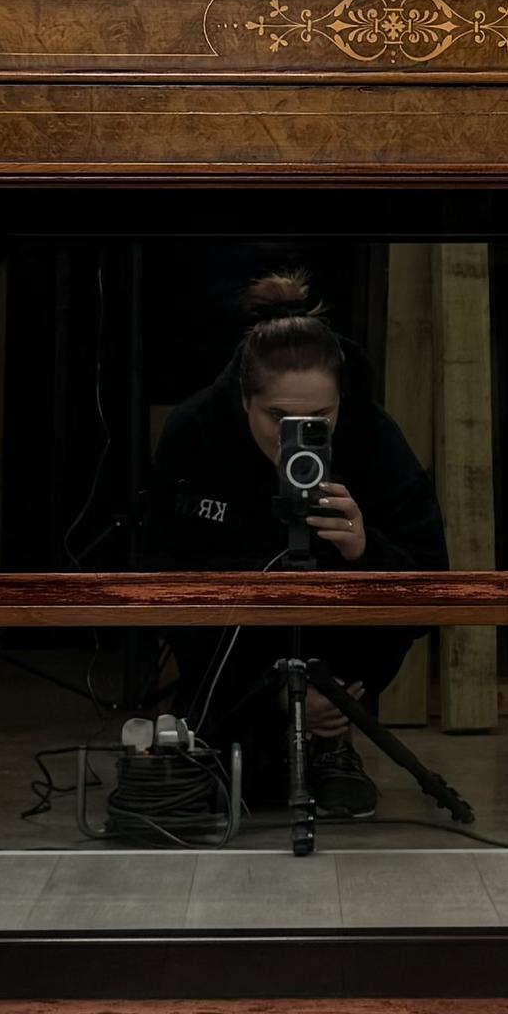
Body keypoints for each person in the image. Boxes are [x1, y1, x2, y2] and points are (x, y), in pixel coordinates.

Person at [141, 270, 449, 818]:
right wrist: (274, 695)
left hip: (341, 663)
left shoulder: (373, 437)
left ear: (342, 401)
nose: (297, 433)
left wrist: (363, 549)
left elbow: (430, 588)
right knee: (218, 789)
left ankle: (332, 742)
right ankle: (234, 737)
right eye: (280, 418)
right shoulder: (196, 432)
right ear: (243, 398)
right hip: (229, 655)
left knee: (362, 571)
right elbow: (163, 579)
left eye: (319, 419)